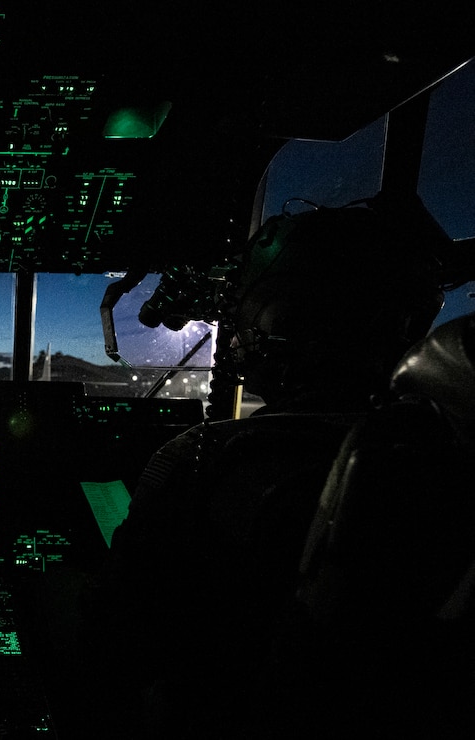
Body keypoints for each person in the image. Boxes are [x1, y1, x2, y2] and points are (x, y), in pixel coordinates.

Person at [86, 196, 447, 739]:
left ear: (280, 320)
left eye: (239, 313)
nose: (230, 332)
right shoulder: (443, 455)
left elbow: (115, 633)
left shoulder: (202, 457)